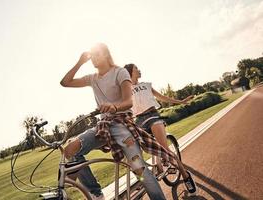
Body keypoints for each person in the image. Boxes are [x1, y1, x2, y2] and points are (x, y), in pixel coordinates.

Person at [60, 43, 172, 200]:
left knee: (140, 171)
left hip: (122, 125)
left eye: (96, 54)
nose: (93, 58)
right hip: (103, 127)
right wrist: (80, 62)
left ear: (106, 55)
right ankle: (97, 194)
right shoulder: (92, 78)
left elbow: (128, 102)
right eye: (91, 55)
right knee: (70, 151)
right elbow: (65, 82)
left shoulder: (120, 72)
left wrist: (114, 106)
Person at [124, 63, 198, 195]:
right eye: (136, 68)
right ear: (130, 72)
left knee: (164, 150)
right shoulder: (125, 89)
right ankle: (150, 173)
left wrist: (180, 102)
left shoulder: (146, 85)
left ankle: (186, 175)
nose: (139, 70)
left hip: (152, 116)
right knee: (133, 152)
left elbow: (163, 97)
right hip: (138, 121)